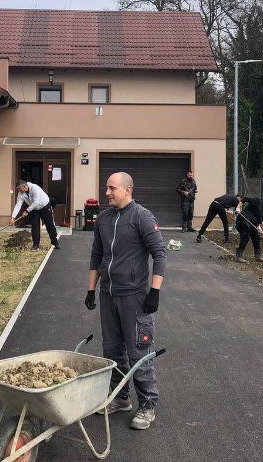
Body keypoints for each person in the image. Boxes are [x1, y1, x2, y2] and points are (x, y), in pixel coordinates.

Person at [85, 172, 166, 430]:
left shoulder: (142, 217)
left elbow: (159, 254)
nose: (107, 192)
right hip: (108, 294)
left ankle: (147, 405)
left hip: (134, 296)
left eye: (112, 188)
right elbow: (97, 255)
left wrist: (155, 291)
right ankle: (120, 398)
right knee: (112, 350)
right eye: (107, 188)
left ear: (127, 190)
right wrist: (91, 289)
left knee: (139, 352)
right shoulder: (103, 219)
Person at [12, 179, 61, 250]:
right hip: (34, 209)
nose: (19, 191)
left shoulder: (34, 188)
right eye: (18, 189)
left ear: (24, 186)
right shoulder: (21, 193)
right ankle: (36, 245)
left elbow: (36, 202)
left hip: (44, 206)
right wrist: (13, 217)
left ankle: (55, 241)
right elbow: (18, 205)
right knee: (35, 226)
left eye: (19, 189)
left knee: (50, 225)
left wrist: (27, 211)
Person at [234, 193, 263, 264]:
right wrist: (238, 208)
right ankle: (238, 257)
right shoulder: (257, 200)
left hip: (253, 223)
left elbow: (259, 218)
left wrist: (259, 227)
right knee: (245, 237)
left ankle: (258, 256)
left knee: (256, 238)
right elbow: (245, 199)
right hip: (245, 220)